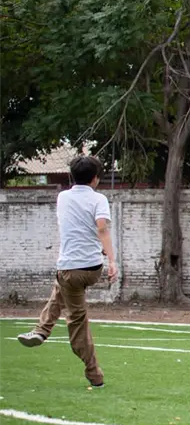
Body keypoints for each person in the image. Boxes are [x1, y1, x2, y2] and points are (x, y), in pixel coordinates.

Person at [16, 155, 119, 387]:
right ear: (95, 178)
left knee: (77, 322)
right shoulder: (99, 199)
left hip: (70, 269)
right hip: (93, 268)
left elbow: (82, 226)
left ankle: (94, 374)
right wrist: (112, 261)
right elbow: (101, 229)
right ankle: (41, 331)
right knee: (61, 286)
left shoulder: (62, 197)